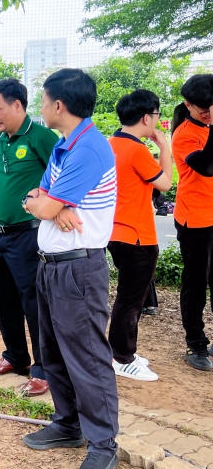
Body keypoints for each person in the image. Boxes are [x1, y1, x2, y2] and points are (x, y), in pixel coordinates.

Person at [21, 69, 119, 469]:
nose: (41, 108)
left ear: (58, 106)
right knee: (54, 351)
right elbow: (37, 198)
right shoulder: (65, 147)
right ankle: (67, 423)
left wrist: (48, 205)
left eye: (43, 101)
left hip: (78, 270)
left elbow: (44, 204)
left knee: (88, 356)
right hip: (51, 267)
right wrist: (46, 205)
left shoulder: (91, 149)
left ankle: (103, 446)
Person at [0, 78, 58, 397]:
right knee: (3, 299)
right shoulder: (3, 140)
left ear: (17, 105)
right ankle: (15, 356)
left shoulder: (42, 137)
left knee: (33, 302)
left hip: (29, 235)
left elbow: (61, 177)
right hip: (1, 236)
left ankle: (43, 369)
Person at [107, 89, 172, 382]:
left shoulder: (110, 144)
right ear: (146, 117)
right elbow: (166, 184)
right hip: (137, 236)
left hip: (114, 232)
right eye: (156, 116)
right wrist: (165, 147)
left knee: (128, 296)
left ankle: (121, 351)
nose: (157, 122)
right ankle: (122, 357)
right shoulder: (137, 150)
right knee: (131, 300)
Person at [170, 73, 213, 371]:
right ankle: (196, 343)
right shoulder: (184, 135)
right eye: (203, 108)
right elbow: (207, 167)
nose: (208, 112)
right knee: (196, 282)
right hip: (194, 219)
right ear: (188, 105)